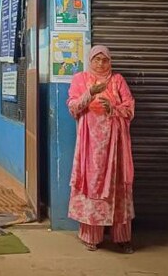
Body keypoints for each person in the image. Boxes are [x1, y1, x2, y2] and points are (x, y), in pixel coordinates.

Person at [67, 45, 135, 253]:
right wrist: (90, 93)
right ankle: (91, 237)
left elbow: (130, 107)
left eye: (104, 60)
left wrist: (113, 108)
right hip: (91, 147)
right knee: (92, 184)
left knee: (117, 186)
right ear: (90, 60)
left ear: (109, 62)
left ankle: (122, 238)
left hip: (116, 145)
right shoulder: (81, 79)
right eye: (96, 59)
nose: (100, 63)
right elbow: (73, 107)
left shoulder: (117, 80)